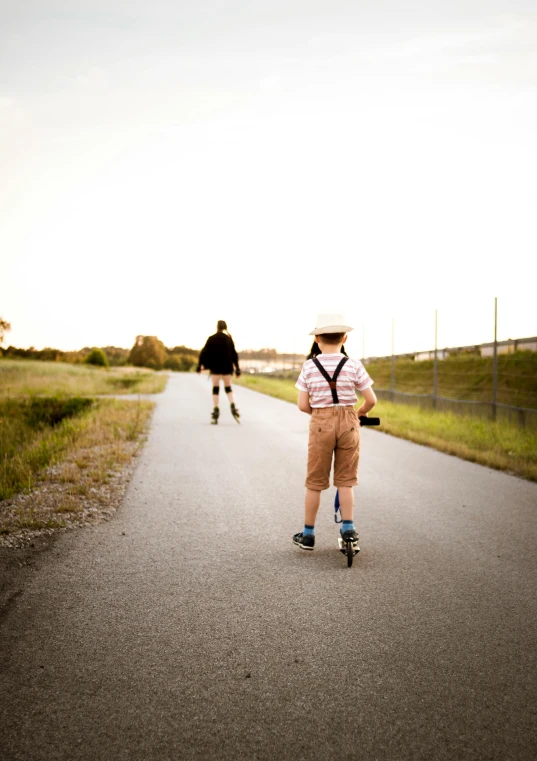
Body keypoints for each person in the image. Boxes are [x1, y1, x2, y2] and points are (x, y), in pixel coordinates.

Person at [293, 313, 377, 552]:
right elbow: (371, 400)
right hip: (349, 421)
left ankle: (308, 534)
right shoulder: (353, 365)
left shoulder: (309, 366)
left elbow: (301, 405)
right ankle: (348, 530)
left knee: (315, 482)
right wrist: (358, 414)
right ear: (345, 339)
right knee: (346, 480)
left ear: (317, 338)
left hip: (320, 421)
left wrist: (322, 415)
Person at [197, 320, 241, 424]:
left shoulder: (211, 338)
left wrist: (200, 366)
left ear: (217, 327)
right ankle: (233, 405)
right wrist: (237, 369)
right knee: (228, 387)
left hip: (215, 367)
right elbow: (234, 355)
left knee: (216, 388)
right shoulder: (229, 339)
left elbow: (203, 352)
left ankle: (216, 409)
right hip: (227, 367)